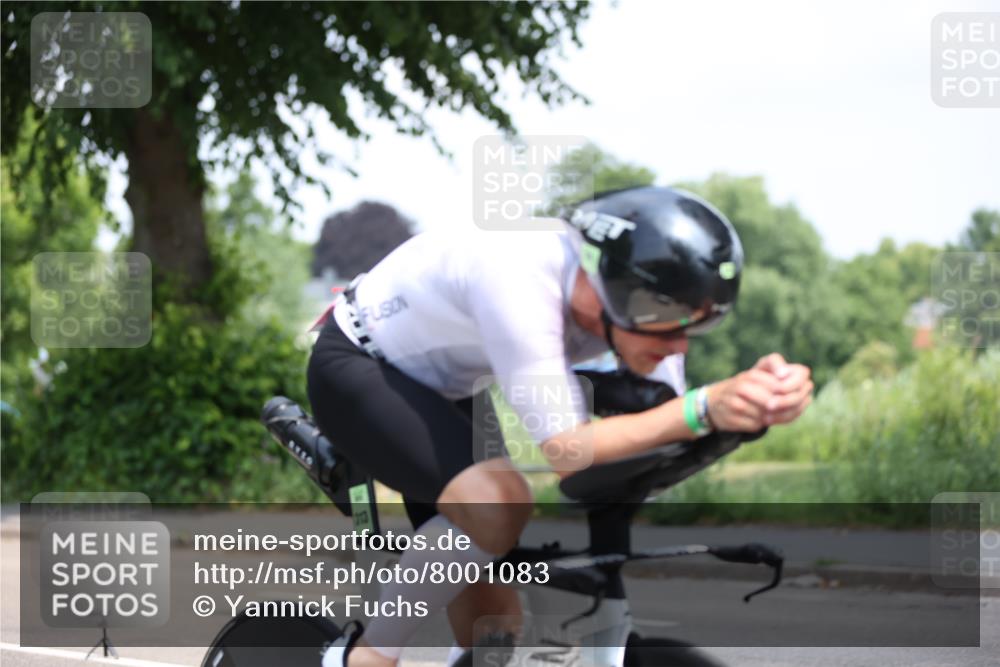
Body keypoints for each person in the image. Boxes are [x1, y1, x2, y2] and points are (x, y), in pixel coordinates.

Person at [306, 186, 813, 667]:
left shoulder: (634, 311)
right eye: (675, 321)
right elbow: (568, 449)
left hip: (451, 385)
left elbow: (660, 426)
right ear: (616, 290)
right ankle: (365, 654)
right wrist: (705, 407)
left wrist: (757, 402)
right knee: (499, 502)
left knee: (494, 632)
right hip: (360, 367)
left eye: (697, 325)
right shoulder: (517, 278)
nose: (681, 346)